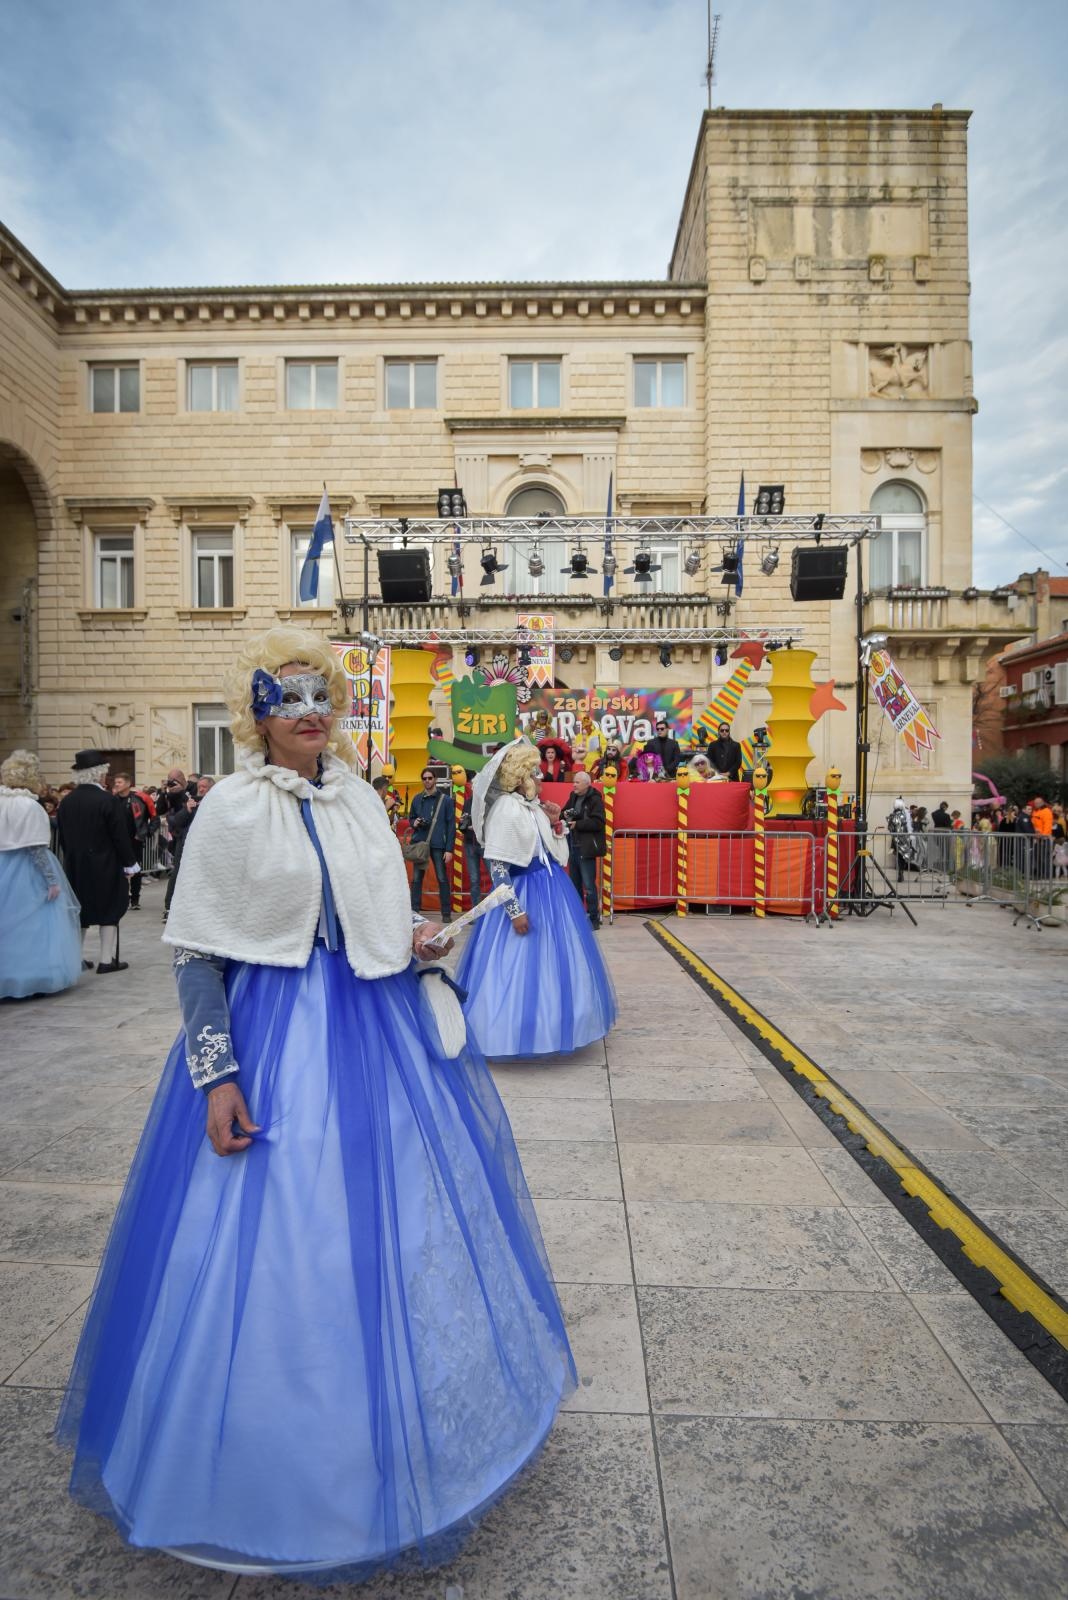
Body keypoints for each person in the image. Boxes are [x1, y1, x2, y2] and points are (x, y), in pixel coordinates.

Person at [57, 626, 575, 1581]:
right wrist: (217, 1075)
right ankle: (272, 1473)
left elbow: (371, 916)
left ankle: (394, 1448)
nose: (309, 713)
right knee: (284, 1236)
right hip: (272, 1038)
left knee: (385, 1229)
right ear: (257, 715)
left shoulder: (359, 803)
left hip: (376, 1032)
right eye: (287, 699)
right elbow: (199, 951)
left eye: (321, 696)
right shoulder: (230, 810)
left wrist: (416, 934)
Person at [456, 737, 616, 1058]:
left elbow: (548, 850)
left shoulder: (531, 807)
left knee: (554, 963)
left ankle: (555, 1025)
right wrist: (514, 910)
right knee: (518, 968)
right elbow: (498, 863)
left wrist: (555, 824)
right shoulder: (505, 809)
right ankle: (512, 1030)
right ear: (518, 777)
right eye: (533, 773)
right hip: (524, 892)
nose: (539, 778)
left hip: (550, 890)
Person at [0, 750, 82, 999]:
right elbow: (35, 848)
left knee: (7, 925)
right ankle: (31, 976)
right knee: (34, 924)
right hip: (26, 869)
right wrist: (51, 880)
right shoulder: (29, 805)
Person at [55, 749, 138, 973]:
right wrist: (130, 863)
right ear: (99, 774)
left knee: (79, 911)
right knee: (109, 909)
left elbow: (62, 838)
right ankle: (105, 960)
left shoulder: (67, 802)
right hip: (105, 864)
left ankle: (77, 958)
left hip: (75, 864)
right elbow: (119, 836)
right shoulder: (107, 800)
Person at [407, 766, 455, 921]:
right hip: (420, 843)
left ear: (435, 780)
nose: (427, 781)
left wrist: (449, 849)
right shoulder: (416, 799)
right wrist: (415, 822)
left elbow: (451, 825)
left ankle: (446, 913)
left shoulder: (446, 800)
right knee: (416, 879)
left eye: (430, 778)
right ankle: (414, 911)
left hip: (438, 844)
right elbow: (411, 818)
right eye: (424, 778)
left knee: (442, 878)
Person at [562, 770, 606, 928]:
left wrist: (578, 824)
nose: (574, 784)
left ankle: (594, 918)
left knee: (588, 886)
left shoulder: (595, 800)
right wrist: (564, 815)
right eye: (573, 782)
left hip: (586, 848)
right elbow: (565, 813)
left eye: (577, 782)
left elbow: (598, 822)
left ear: (587, 784)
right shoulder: (574, 797)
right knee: (575, 884)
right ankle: (578, 917)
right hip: (573, 846)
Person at [111, 773, 153, 910]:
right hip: (116, 841)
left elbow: (150, 818)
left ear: (128, 784)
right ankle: (121, 898)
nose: (117, 784)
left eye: (120, 782)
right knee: (117, 870)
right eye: (116, 782)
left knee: (135, 870)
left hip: (134, 841)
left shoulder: (138, 800)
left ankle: (135, 898)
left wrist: (143, 834)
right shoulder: (111, 800)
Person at [458, 771, 485, 907]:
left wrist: (478, 828)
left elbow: (493, 822)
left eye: (477, 784)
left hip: (484, 844)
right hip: (469, 843)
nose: (474, 787)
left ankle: (496, 911)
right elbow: (461, 827)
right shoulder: (468, 802)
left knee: (494, 876)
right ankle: (476, 912)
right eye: (473, 785)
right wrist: (463, 822)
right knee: (474, 880)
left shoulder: (487, 802)